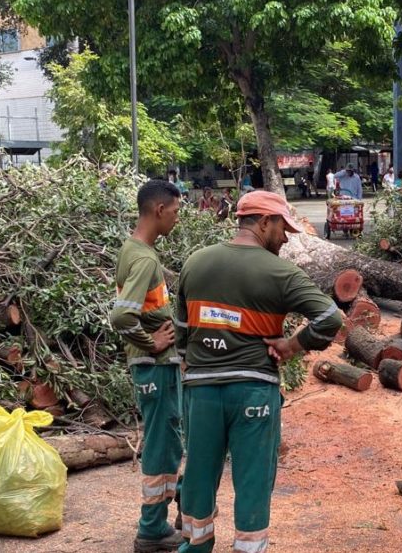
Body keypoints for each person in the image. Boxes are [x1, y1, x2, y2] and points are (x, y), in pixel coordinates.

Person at [175, 191, 342, 553]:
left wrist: (192, 362)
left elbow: (179, 329)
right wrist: (292, 345)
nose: (285, 238)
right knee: (252, 477)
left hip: (201, 390)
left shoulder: (196, 262)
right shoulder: (280, 271)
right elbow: (331, 319)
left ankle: (195, 544)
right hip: (253, 390)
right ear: (265, 221)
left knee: (200, 473)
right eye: (283, 228)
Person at [109, 180, 184, 553]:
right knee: (161, 445)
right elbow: (122, 316)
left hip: (157, 366)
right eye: (175, 211)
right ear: (158, 210)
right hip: (154, 367)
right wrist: (151, 343)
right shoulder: (142, 258)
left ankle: (167, 515)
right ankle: (152, 528)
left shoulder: (136, 250)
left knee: (168, 441)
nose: (177, 218)